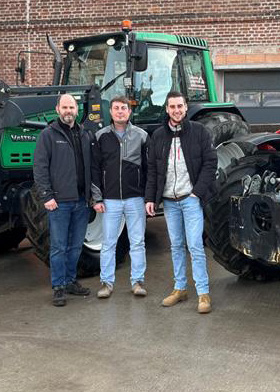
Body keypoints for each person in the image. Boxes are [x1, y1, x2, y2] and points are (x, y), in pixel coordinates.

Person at [145, 91, 217, 314]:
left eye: (180, 106)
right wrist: (150, 198)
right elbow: (153, 169)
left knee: (195, 246)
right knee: (176, 245)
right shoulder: (158, 136)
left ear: (186, 108)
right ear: (167, 109)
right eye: (172, 107)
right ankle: (180, 288)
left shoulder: (199, 131)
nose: (176, 110)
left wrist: (197, 192)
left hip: (190, 199)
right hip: (169, 201)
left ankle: (203, 293)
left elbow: (210, 162)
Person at [33, 94, 94, 307]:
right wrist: (46, 196)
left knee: (76, 246)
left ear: (77, 110)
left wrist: (92, 196)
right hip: (60, 202)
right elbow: (40, 167)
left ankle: (70, 281)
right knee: (58, 246)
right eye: (65, 107)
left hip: (82, 201)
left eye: (72, 107)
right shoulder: (48, 135)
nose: (69, 111)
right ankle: (58, 286)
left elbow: (91, 166)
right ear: (57, 109)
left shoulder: (85, 134)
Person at [91, 97, 149, 298]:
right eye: (116, 108)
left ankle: (137, 282)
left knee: (138, 242)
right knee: (108, 243)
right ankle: (106, 283)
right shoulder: (101, 137)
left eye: (123, 108)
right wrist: (97, 199)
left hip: (135, 199)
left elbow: (149, 169)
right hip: (111, 200)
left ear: (129, 112)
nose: (120, 111)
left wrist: (148, 197)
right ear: (111, 112)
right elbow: (95, 169)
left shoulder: (141, 136)